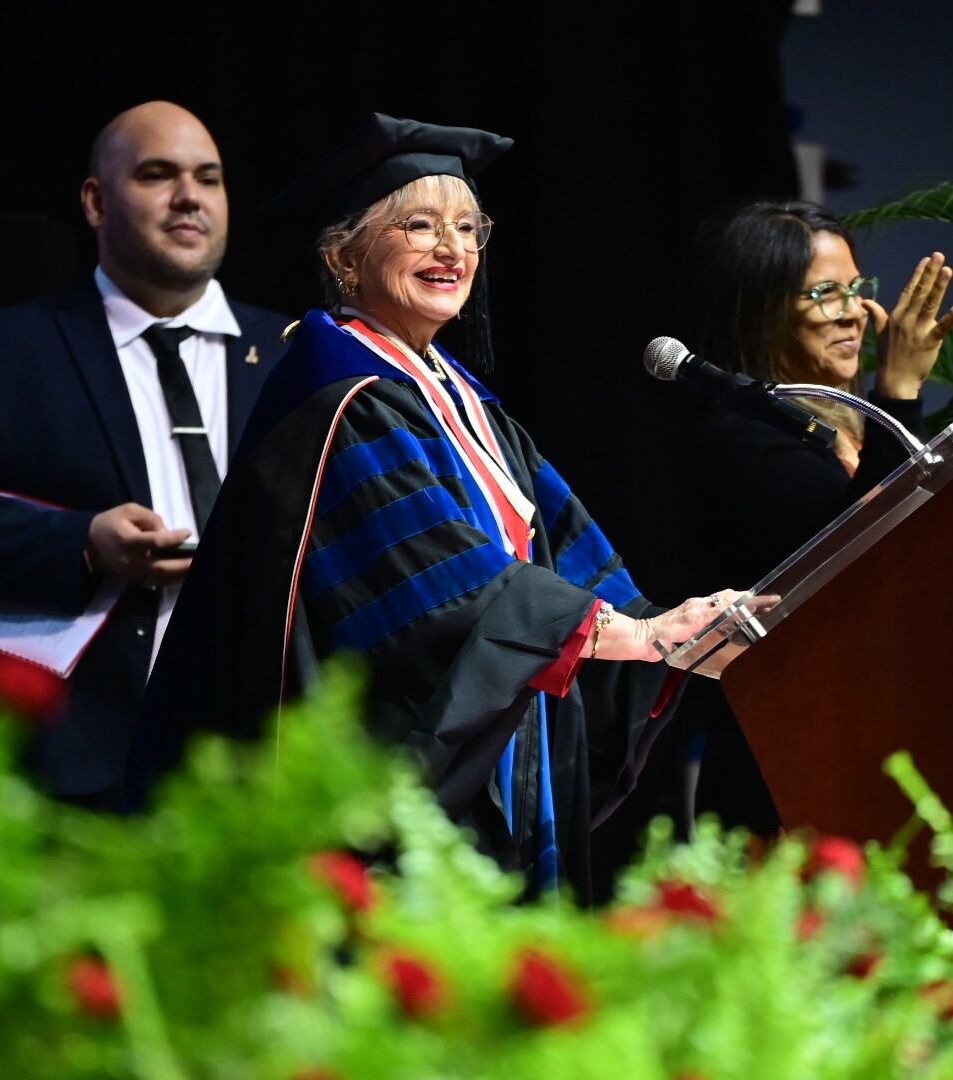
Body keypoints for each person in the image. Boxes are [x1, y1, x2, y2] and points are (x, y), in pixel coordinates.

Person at [132, 115, 743, 900]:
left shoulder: (460, 398)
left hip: (504, 748)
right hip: (389, 773)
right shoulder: (342, 400)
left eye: (467, 228)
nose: (452, 250)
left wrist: (668, 635)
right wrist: (630, 637)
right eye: (418, 226)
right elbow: (435, 586)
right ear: (344, 256)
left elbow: (563, 546)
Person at [675, 199, 953, 832]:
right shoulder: (743, 444)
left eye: (857, 288)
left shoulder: (857, 440)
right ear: (763, 311)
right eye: (826, 293)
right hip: (790, 785)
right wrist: (900, 388)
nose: (855, 310)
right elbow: (868, 568)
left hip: (882, 773)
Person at [0, 101, 290, 805]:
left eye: (209, 178)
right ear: (96, 202)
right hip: (81, 774)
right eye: (158, 175)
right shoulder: (1, 351)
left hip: (267, 762)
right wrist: (82, 542)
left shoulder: (296, 354)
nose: (188, 196)